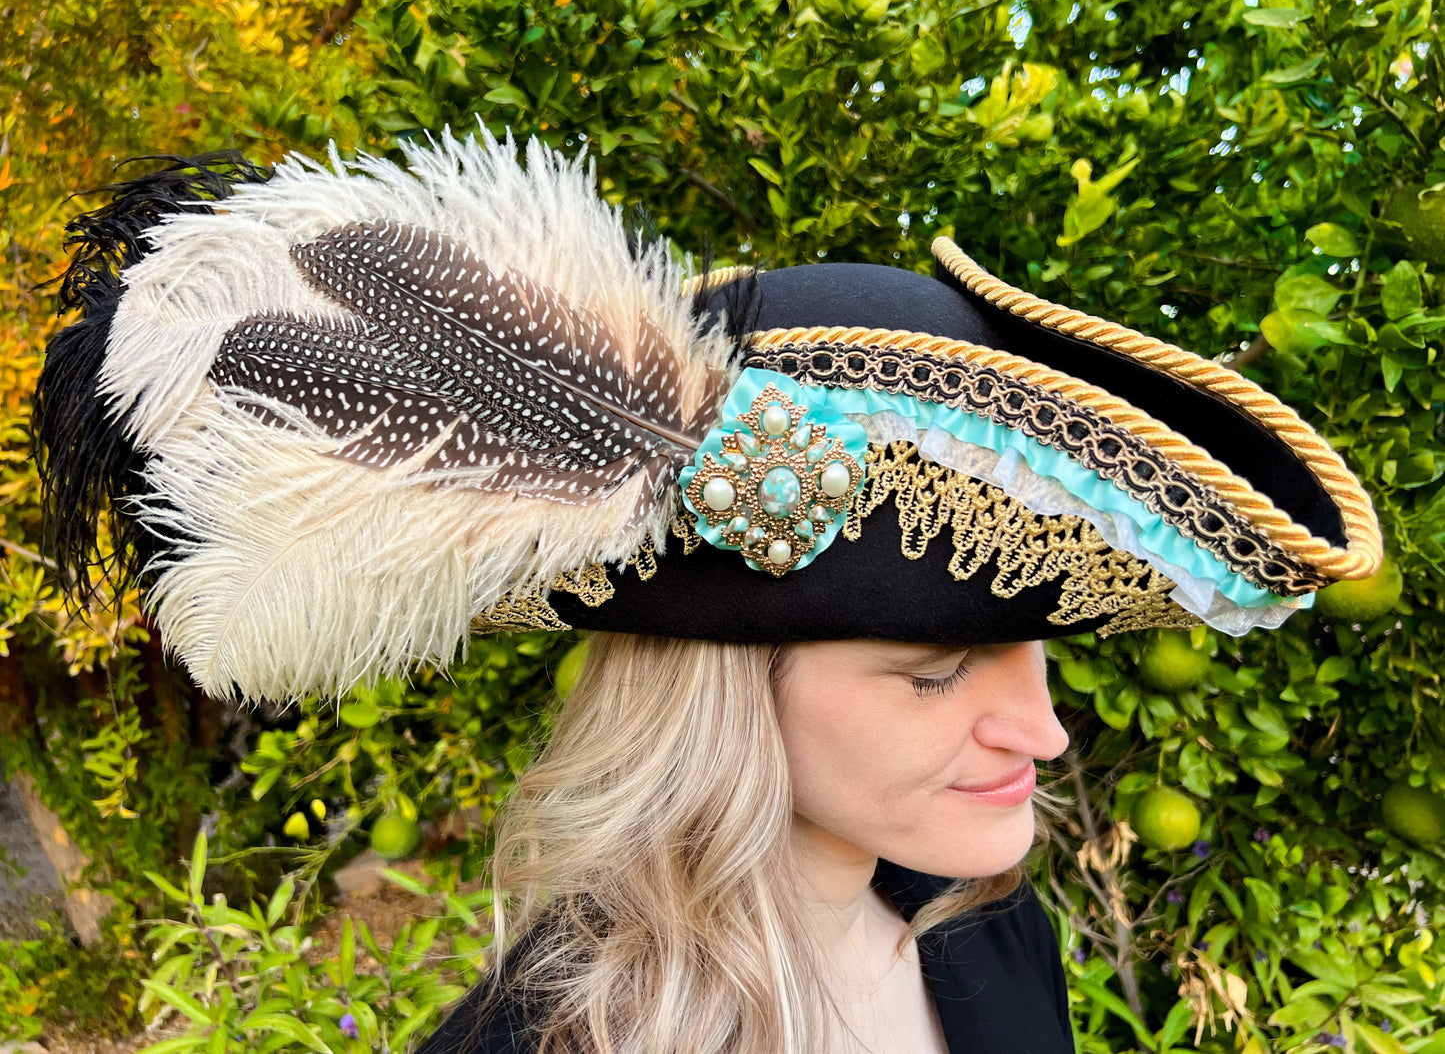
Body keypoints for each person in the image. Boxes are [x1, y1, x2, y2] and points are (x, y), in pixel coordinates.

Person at [35, 132, 1382, 1053]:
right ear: (722, 699)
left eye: (1030, 655)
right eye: (931, 675)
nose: (1041, 734)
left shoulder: (986, 935)